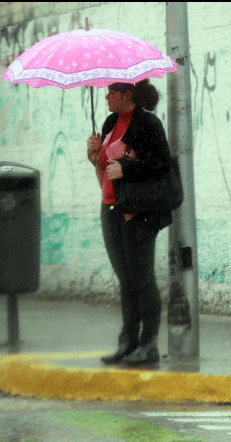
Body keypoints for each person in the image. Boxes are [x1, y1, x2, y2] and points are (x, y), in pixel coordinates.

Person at [86, 79, 172, 366]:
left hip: (138, 212)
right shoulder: (110, 122)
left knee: (142, 279)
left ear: (127, 95)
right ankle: (127, 342)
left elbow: (161, 164)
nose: (106, 96)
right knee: (126, 280)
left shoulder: (148, 124)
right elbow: (107, 167)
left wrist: (128, 167)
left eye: (112, 92)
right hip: (110, 208)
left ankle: (149, 345)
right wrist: (94, 155)